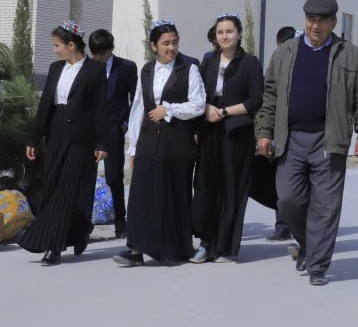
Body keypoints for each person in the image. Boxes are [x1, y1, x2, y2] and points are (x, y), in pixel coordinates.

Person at [256, 0, 358, 286]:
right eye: (311, 20)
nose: (315, 26)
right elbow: (269, 96)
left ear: (333, 22)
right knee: (288, 200)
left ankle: (318, 265)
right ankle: (307, 244)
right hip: (291, 139)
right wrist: (264, 132)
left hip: (328, 139)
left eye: (322, 20)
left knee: (326, 205)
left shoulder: (349, 54)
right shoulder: (286, 53)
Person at [113, 20, 205, 266]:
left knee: (174, 197)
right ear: (154, 46)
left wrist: (169, 109)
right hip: (148, 142)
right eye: (166, 43)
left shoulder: (189, 68)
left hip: (177, 144)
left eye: (174, 42)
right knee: (142, 196)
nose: (171, 48)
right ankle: (136, 248)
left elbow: (198, 104)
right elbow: (138, 108)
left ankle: (175, 249)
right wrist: (133, 145)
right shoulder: (146, 70)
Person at [20, 21, 108, 265]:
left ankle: (52, 245)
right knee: (54, 186)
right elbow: (45, 105)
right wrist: (34, 138)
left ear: (71, 45)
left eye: (58, 46)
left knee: (66, 190)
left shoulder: (95, 70)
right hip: (56, 135)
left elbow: (101, 109)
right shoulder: (55, 68)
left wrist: (102, 143)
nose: (56, 50)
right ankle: (79, 230)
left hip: (81, 140)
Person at [190, 14, 264, 263]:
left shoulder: (250, 63)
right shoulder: (208, 60)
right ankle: (205, 242)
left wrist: (224, 112)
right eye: (220, 32)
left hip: (236, 132)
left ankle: (225, 245)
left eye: (230, 31)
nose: (225, 36)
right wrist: (208, 108)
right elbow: (197, 92)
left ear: (239, 34)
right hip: (209, 130)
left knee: (231, 188)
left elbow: (256, 99)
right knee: (205, 187)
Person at [88, 28, 138, 239]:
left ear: (111, 49)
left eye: (101, 53)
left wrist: (125, 124)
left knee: (114, 177)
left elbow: (135, 99)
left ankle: (120, 221)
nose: (97, 58)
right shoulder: (86, 67)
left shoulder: (126, 67)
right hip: (89, 129)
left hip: (113, 128)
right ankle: (84, 224)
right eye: (94, 53)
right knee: (86, 178)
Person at [265, 25, 299, 242]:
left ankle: (290, 226)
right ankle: (284, 224)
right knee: (283, 182)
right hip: (280, 132)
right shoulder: (276, 65)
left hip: (298, 133)